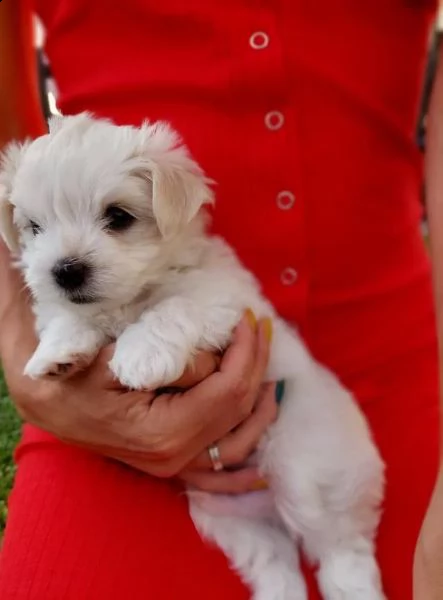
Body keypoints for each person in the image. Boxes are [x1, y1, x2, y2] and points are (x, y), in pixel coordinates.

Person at [0, 1, 440, 599]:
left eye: (117, 217)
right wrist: (22, 341)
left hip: (390, 354)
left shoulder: (187, 245)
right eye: (36, 228)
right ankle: (273, 573)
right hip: (93, 421)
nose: (67, 257)